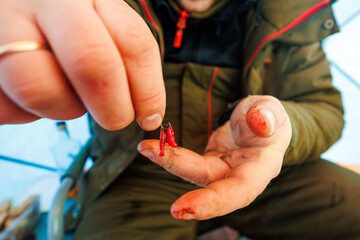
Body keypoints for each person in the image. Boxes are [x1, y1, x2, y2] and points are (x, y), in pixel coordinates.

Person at [0, 0, 359, 239]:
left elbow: (323, 107)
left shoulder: (287, 12)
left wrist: (283, 126)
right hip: (137, 176)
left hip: (267, 171)